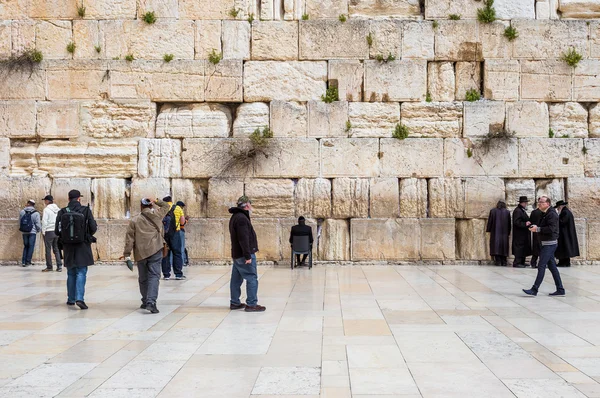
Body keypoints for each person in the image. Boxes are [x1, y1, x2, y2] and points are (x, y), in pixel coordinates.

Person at [123, 198, 171, 314]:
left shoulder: (134, 220)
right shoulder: (158, 214)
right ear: (151, 205)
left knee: (143, 278)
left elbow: (129, 239)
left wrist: (127, 255)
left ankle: (145, 300)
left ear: (141, 206)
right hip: (155, 250)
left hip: (141, 253)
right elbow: (167, 206)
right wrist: (156, 200)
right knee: (154, 276)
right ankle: (151, 302)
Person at [55, 190, 98, 309]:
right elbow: (93, 228)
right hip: (82, 246)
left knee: (71, 272)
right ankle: (80, 298)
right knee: (81, 272)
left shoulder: (62, 211)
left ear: (69, 199)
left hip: (68, 247)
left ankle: (71, 299)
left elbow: (56, 231)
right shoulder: (85, 210)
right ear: (79, 199)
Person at [228, 195, 265, 312]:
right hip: (243, 255)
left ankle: (235, 302)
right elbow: (243, 239)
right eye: (251, 204)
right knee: (252, 278)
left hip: (237, 254)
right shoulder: (242, 219)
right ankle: (251, 304)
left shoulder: (235, 217)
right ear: (247, 205)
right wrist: (248, 256)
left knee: (236, 279)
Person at [523, 196, 565, 297]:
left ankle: (534, 289)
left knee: (541, 265)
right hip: (546, 243)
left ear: (548, 203)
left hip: (549, 244)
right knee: (552, 267)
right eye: (539, 202)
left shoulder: (552, 214)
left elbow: (551, 229)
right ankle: (560, 289)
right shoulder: (546, 213)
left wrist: (538, 229)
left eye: (541, 202)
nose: (539, 204)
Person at [161, 196, 186, 280]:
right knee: (177, 253)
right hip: (175, 233)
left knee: (165, 254)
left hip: (164, 234)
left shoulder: (162, 209)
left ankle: (166, 274)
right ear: (171, 201)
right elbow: (182, 222)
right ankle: (178, 274)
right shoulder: (178, 208)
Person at [486, 200, 511, 266]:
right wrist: (508, 232)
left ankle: (498, 261)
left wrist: (488, 229)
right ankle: (504, 261)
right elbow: (509, 224)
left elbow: (490, 222)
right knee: (504, 246)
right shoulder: (507, 212)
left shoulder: (493, 211)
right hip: (504, 233)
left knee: (496, 246)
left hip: (495, 232)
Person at [555, 200, 579, 267]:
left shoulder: (565, 212)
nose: (557, 209)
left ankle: (564, 263)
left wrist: (557, 216)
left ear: (560, 207)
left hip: (565, 235)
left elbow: (562, 222)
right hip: (565, 234)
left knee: (564, 248)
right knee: (565, 248)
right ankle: (563, 262)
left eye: (558, 207)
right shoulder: (566, 212)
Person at [41, 195, 62, 272]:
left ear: (47, 201)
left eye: (45, 200)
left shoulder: (46, 210)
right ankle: (59, 266)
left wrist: (43, 231)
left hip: (49, 231)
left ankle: (49, 266)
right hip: (56, 231)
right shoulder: (58, 209)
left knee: (48, 250)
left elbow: (44, 221)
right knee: (56, 249)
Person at [19, 199, 41, 267]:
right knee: (31, 246)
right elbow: (37, 223)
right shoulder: (36, 213)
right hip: (32, 232)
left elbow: (20, 221)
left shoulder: (22, 211)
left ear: (28, 203)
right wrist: (38, 230)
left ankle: (23, 261)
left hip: (24, 232)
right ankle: (28, 262)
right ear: (33, 205)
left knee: (26, 246)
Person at [512, 196, 532, 268]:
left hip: (523, 233)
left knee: (523, 248)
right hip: (519, 234)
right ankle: (517, 262)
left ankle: (522, 262)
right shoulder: (518, 211)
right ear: (522, 203)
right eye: (525, 203)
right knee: (519, 248)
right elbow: (516, 222)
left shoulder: (521, 210)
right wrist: (525, 224)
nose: (526, 204)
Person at [529, 201, 544, 268]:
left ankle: (533, 263)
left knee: (535, 248)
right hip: (541, 231)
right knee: (541, 248)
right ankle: (541, 263)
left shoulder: (533, 212)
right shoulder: (543, 212)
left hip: (535, 231)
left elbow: (530, 221)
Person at [176, 201, 190, 267]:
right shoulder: (180, 211)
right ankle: (182, 262)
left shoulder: (173, 211)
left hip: (174, 231)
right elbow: (182, 223)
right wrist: (186, 219)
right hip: (180, 230)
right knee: (181, 247)